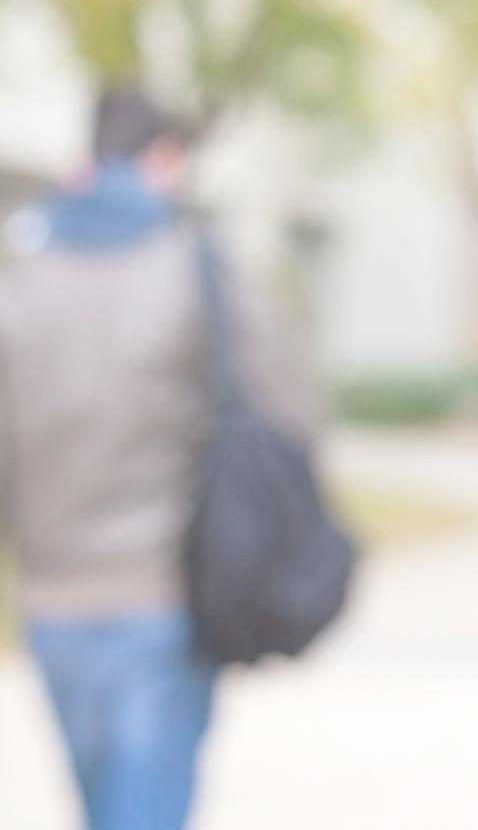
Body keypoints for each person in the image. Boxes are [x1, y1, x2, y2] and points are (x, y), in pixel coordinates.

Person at [0, 83, 317, 830]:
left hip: (50, 598)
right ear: (165, 160)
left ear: (83, 162)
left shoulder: (20, 277)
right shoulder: (198, 269)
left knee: (102, 807)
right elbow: (287, 408)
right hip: (163, 593)